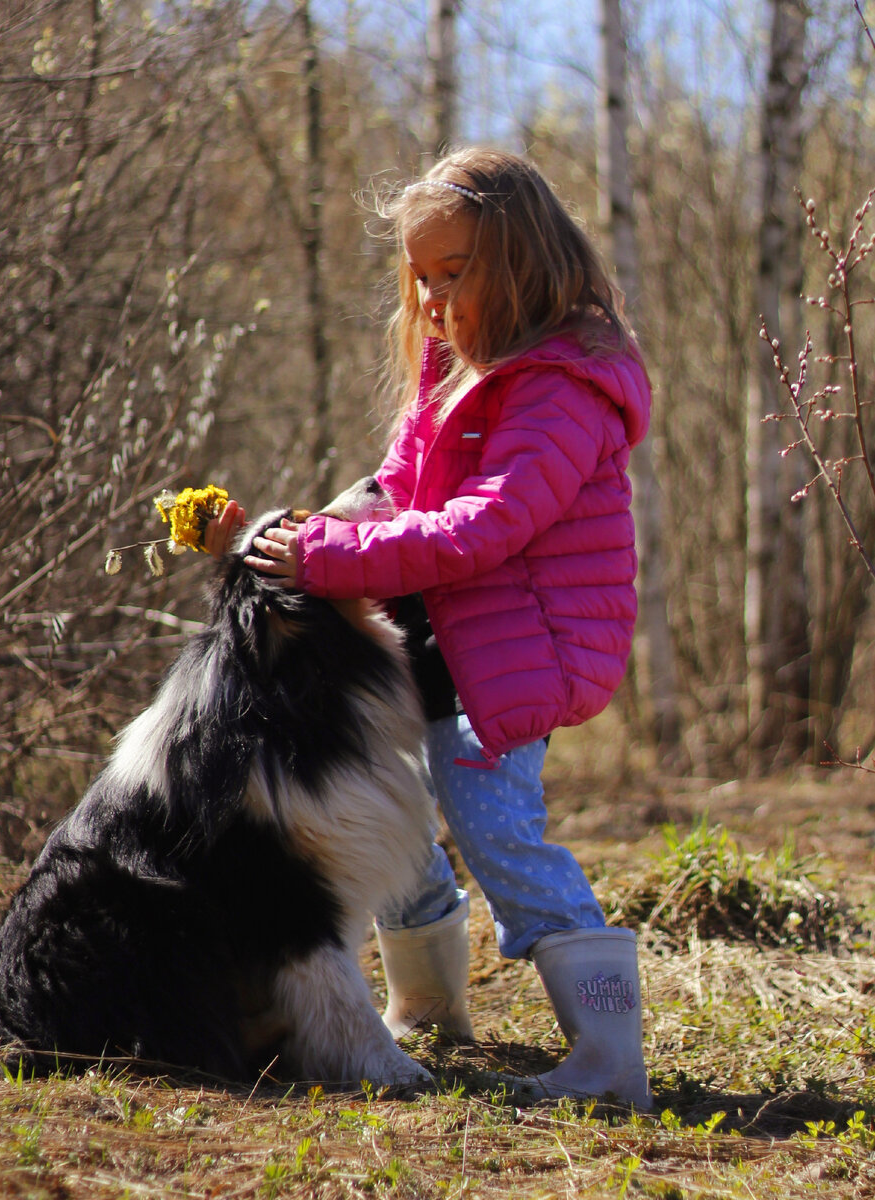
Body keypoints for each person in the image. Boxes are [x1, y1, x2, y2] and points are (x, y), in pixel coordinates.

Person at [205, 147, 653, 1108]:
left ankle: (610, 1054)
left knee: (500, 839)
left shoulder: (560, 385)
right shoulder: (453, 372)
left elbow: (483, 530)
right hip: (437, 648)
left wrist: (322, 560)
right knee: (390, 817)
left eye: (457, 270)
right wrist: (283, 533)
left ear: (525, 258)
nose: (435, 293)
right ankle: (430, 1011)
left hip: (518, 656)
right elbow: (402, 496)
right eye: (422, 274)